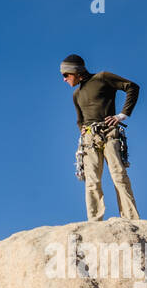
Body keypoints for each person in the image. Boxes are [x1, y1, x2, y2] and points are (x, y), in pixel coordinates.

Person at [60, 54, 141, 221]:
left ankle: (131, 219)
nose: (64, 79)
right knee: (92, 181)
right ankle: (94, 221)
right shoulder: (76, 95)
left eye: (65, 75)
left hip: (109, 133)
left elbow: (132, 87)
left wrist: (121, 115)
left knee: (119, 175)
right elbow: (80, 119)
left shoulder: (102, 78)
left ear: (75, 71)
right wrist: (82, 129)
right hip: (90, 139)